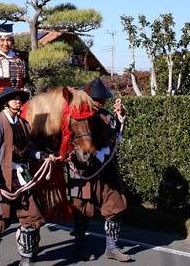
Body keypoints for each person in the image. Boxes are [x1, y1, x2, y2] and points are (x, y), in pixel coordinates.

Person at [0, 87, 55, 266]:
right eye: (14, 98)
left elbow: (29, 151)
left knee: (31, 217)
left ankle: (26, 260)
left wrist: (42, 156)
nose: (18, 101)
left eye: (20, 98)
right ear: (5, 103)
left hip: (21, 179)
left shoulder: (24, 124)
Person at [68, 78, 130, 262]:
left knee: (114, 204)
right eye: (97, 99)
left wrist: (120, 116)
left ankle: (112, 247)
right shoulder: (74, 115)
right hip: (83, 168)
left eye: (103, 99)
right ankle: (79, 247)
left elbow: (116, 132)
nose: (101, 102)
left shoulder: (106, 115)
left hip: (105, 166)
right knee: (81, 208)